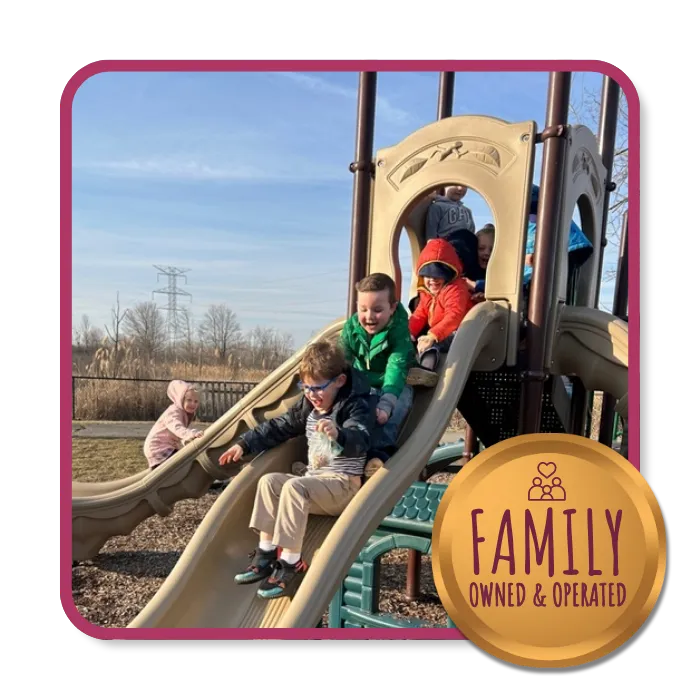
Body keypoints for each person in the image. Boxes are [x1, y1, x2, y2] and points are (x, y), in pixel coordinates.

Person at [217, 339, 375, 599]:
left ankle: (291, 561)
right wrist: (245, 444)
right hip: (316, 485)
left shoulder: (355, 406)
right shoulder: (309, 408)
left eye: (318, 388)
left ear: (339, 381)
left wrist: (340, 434)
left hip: (343, 486)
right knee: (269, 481)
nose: (311, 394)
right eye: (306, 387)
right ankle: (266, 551)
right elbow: (279, 426)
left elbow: (361, 438)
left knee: (293, 486)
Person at [340, 272, 419, 478]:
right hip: (364, 380)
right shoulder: (351, 328)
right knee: (347, 407)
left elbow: (396, 366)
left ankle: (379, 455)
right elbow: (342, 359)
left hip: (395, 382)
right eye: (363, 309)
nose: (369, 317)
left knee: (391, 413)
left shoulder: (399, 331)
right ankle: (341, 453)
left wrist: (387, 402)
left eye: (377, 310)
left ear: (392, 308)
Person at [408, 238, 473, 371]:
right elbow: (420, 315)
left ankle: (426, 370)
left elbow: (455, 315)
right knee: (413, 341)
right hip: (441, 331)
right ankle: (406, 367)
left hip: (460, 332)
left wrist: (433, 335)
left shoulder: (455, 289)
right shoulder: (427, 293)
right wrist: (408, 332)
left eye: (438, 275)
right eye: (428, 275)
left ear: (449, 274)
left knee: (432, 344)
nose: (432, 280)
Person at [424, 184, 481, 282]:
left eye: (464, 186)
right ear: (445, 185)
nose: (460, 189)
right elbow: (431, 235)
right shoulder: (437, 206)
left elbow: (472, 233)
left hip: (467, 248)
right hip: (450, 246)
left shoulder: (467, 211)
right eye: (456, 184)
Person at [143, 380, 204, 470]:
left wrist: (186, 441)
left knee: (186, 460)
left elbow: (178, 435)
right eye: (189, 400)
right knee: (183, 466)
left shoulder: (184, 413)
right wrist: (190, 434)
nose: (193, 404)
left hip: (165, 446)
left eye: (196, 401)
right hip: (158, 447)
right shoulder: (174, 412)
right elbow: (177, 428)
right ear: (181, 400)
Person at [467, 223, 495, 304]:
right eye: (481, 248)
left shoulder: (499, 273)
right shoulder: (469, 271)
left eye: (492, 249)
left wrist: (476, 285)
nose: (486, 253)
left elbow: (501, 287)